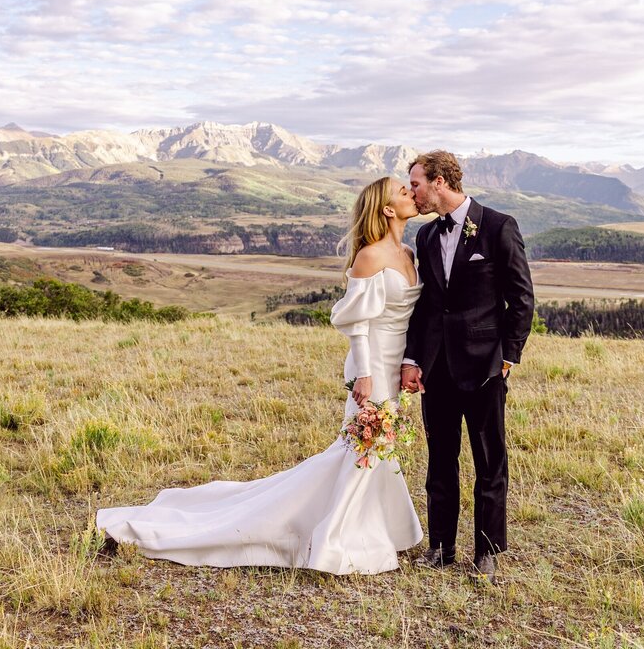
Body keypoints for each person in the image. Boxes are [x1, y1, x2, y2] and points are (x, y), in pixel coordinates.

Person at [95, 177, 424, 574]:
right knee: (365, 447)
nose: (412, 194)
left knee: (374, 447)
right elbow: (356, 323)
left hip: (395, 361)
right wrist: (365, 376)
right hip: (371, 364)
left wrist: (410, 362)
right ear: (387, 209)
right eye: (404, 192)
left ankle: (380, 527)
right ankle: (336, 538)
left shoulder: (408, 252)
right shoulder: (371, 257)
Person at [401, 150, 534, 584]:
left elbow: (522, 299)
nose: (413, 192)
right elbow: (425, 308)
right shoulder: (424, 237)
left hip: (485, 369)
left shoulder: (497, 226)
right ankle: (440, 546)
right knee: (440, 459)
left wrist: (508, 357)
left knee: (489, 460)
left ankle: (488, 550)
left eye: (417, 183)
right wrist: (414, 358)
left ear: (440, 181)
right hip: (437, 369)